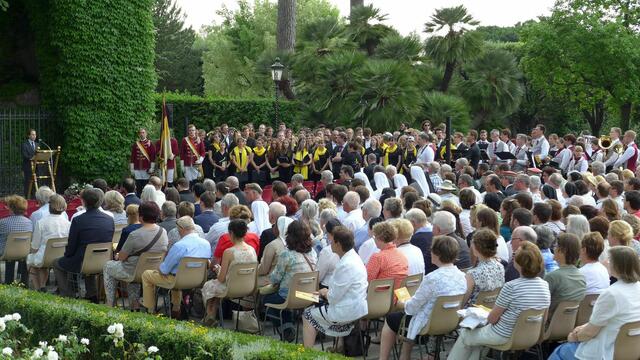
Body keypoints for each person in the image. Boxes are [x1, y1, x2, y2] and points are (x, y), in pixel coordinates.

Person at [448, 241, 551, 360]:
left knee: (466, 334)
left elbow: (492, 319)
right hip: (530, 335)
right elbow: (544, 317)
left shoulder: (511, 287)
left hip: (504, 335)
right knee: (476, 339)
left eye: (515, 255)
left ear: (518, 263)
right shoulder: (545, 285)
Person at [378, 235, 467, 360]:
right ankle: (404, 356)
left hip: (429, 322)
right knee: (407, 318)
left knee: (391, 319)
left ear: (437, 253)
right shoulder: (462, 275)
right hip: (450, 321)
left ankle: (383, 358)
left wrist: (401, 303)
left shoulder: (432, 278)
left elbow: (411, 309)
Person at [549, 246, 640, 360]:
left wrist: (574, 336)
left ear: (618, 265)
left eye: (610, 259)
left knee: (560, 351)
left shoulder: (612, 293)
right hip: (631, 351)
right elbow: (613, 321)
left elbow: (589, 333)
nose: (607, 262)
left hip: (603, 352)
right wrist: (582, 328)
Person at [302, 226, 368, 349]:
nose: (330, 243)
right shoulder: (354, 257)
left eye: (332, 241)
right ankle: (338, 346)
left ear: (338, 244)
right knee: (313, 302)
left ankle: (306, 353)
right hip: (357, 307)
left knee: (307, 314)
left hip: (346, 311)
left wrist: (325, 292)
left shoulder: (345, 264)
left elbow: (333, 298)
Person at [141, 216, 211, 317]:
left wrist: (161, 260)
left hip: (178, 280)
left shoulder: (179, 246)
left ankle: (150, 311)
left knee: (147, 274)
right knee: (175, 274)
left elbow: (164, 270)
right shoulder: (206, 244)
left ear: (181, 229)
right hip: (198, 280)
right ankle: (176, 308)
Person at [103, 201, 168, 308]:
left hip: (134, 271)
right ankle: (134, 304)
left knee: (107, 266)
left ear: (141, 216)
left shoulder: (134, 235)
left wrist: (118, 255)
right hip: (153, 270)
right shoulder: (163, 231)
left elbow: (122, 257)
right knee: (133, 268)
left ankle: (111, 303)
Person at [53, 188, 114, 301]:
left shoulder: (78, 220)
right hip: (103, 261)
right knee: (86, 259)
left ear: (84, 202)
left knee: (57, 263)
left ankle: (68, 296)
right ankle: (92, 294)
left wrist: (67, 255)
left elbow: (71, 246)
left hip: (82, 261)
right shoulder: (109, 219)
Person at [264, 220, 318, 342]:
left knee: (267, 299)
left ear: (289, 235)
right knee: (283, 300)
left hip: (291, 297)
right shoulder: (313, 253)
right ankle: (288, 327)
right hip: (310, 296)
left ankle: (286, 329)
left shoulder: (286, 254)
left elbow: (275, 278)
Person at [201, 219, 257, 326]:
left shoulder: (229, 252)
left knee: (209, 285)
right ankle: (210, 316)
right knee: (215, 288)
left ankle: (210, 315)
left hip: (231, 288)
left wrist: (218, 270)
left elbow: (221, 279)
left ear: (231, 233)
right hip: (248, 287)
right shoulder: (252, 250)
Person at [26, 194, 70, 290]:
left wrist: (31, 253)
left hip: (45, 257)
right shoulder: (68, 223)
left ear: (49, 206)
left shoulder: (41, 222)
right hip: (62, 256)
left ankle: (39, 288)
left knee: (31, 261)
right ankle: (42, 286)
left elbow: (35, 246)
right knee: (40, 263)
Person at [544, 233, 586, 315]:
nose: (554, 249)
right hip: (570, 325)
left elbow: (540, 305)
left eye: (556, 246)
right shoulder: (582, 277)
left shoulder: (552, 277)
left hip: (548, 325)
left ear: (562, 251)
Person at [463, 229, 505, 307]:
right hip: (490, 312)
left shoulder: (472, 274)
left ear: (476, 248)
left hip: (473, 314)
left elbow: (463, 301)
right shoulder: (500, 267)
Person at [367, 221, 408, 289]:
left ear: (379, 238)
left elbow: (367, 281)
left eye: (374, 236)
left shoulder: (377, 257)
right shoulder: (402, 255)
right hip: (400, 295)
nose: (373, 239)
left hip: (380, 296)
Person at [258, 216, 293, 286]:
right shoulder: (294, 244)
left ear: (278, 228)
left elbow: (263, 270)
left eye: (275, 226)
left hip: (271, 281)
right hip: (289, 280)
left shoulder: (273, 245)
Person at [129, 127, 156, 193]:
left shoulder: (150, 144)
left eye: (143, 132)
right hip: (137, 168)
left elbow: (153, 156)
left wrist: (152, 167)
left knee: (145, 184)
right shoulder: (136, 144)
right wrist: (132, 168)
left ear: (146, 134)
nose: (142, 134)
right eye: (140, 133)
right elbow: (133, 156)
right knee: (138, 184)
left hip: (146, 168)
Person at [21, 128, 39, 197]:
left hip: (36, 167)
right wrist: (32, 158)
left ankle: (35, 198)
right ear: (29, 135)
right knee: (28, 184)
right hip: (27, 167)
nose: (34, 136)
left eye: (35, 134)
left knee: (35, 184)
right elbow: (24, 155)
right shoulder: (24, 144)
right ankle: (27, 199)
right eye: (32, 134)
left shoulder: (37, 144)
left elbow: (39, 155)